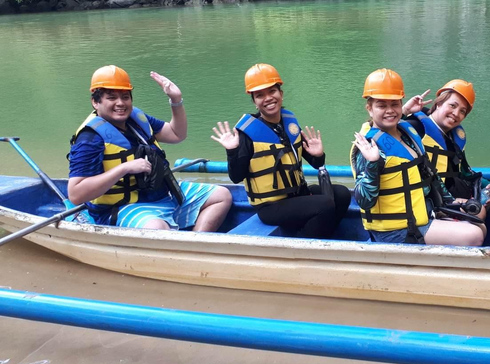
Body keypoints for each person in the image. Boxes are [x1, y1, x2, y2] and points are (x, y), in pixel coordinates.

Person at [68, 65, 231, 230]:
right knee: (157, 228)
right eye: (111, 98)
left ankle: (197, 244)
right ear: (95, 102)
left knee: (221, 196)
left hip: (164, 193)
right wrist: (124, 168)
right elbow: (75, 194)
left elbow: (177, 134)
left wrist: (176, 100)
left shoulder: (137, 119)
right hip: (125, 206)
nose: (120, 103)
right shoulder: (90, 138)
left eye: (125, 97)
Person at [211, 63, 350, 239]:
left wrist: (318, 155)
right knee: (325, 204)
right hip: (271, 206)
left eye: (272, 91)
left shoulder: (289, 123)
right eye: (260, 95)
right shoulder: (247, 133)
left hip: (297, 195)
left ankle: (319, 237)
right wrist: (232, 151)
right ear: (254, 102)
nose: (268, 98)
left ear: (281, 94)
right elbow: (236, 176)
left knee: (342, 194)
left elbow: (316, 163)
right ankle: (304, 248)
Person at [351, 68, 485, 246]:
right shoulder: (368, 146)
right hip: (397, 230)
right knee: (474, 234)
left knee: (479, 217)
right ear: (369, 108)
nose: (390, 110)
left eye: (395, 104)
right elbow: (364, 201)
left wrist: (450, 203)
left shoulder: (407, 132)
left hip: (423, 212)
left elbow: (430, 175)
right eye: (382, 105)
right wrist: (373, 163)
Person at [402, 80, 490, 221]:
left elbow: (465, 172)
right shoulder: (416, 127)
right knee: (478, 215)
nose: (456, 113)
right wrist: (404, 111)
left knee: (480, 208)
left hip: (447, 197)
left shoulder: (455, 137)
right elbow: (385, 134)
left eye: (462, 111)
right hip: (427, 199)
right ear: (439, 103)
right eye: (452, 105)